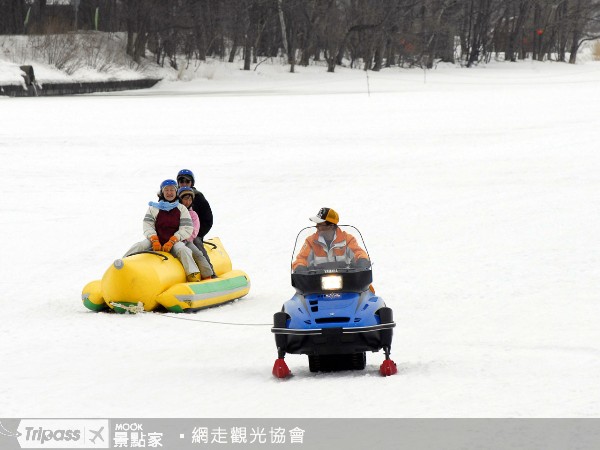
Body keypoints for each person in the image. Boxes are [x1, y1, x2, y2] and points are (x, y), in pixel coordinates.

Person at [123, 179, 202, 282]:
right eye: (166, 190)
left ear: (176, 192)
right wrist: (154, 239)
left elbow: (186, 228)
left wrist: (173, 240)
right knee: (140, 246)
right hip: (156, 240)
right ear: (162, 192)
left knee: (183, 250)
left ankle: (192, 274)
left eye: (172, 190)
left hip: (174, 241)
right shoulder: (153, 208)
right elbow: (148, 225)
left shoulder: (181, 208)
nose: (169, 193)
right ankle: (122, 264)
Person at [292, 207, 371, 272]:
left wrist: (362, 261)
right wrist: (300, 267)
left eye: (320, 224)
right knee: (300, 291)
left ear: (331, 226)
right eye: (316, 224)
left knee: (367, 290)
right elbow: (301, 259)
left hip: (347, 281)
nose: (316, 226)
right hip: (316, 283)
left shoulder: (347, 239)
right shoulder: (310, 241)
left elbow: (359, 252)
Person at [177, 186, 215, 279]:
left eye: (190, 199)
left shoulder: (193, 215)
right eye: (185, 199)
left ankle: (207, 274)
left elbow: (194, 232)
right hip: (174, 241)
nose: (187, 202)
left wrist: (185, 238)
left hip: (187, 241)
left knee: (197, 254)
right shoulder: (175, 212)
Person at [176, 169, 213, 241]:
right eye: (181, 181)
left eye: (187, 181)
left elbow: (207, 220)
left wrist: (197, 235)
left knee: (197, 244)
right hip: (174, 235)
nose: (184, 184)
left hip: (194, 235)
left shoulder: (198, 197)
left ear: (192, 183)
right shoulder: (173, 196)